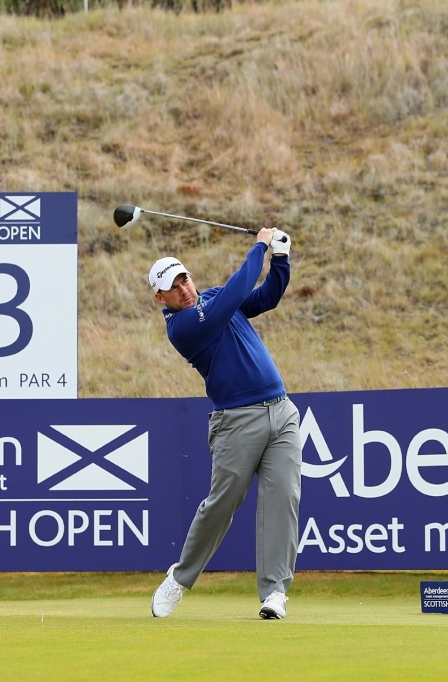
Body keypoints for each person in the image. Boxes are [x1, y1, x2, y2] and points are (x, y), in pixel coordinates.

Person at [148, 227, 301, 620]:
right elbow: (237, 291)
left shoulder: (214, 297)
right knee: (222, 504)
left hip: (281, 412)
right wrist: (259, 246)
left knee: (283, 498)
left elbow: (264, 297)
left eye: (185, 278)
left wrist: (280, 259)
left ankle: (274, 593)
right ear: (160, 298)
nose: (184, 288)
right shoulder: (183, 328)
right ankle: (179, 579)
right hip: (236, 422)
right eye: (173, 286)